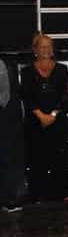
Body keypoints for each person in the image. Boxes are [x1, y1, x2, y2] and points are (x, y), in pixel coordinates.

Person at [20, 34, 68, 201]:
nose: (47, 50)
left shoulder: (62, 69)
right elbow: (26, 97)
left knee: (60, 157)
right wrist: (41, 116)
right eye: (43, 47)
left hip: (58, 121)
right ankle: (38, 194)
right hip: (35, 122)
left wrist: (53, 114)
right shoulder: (27, 72)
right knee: (37, 158)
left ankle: (62, 192)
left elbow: (65, 95)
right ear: (35, 50)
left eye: (49, 46)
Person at [1, 56, 26, 213]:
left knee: (6, 158)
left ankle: (8, 198)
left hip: (5, 120)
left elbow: (4, 96)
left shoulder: (3, 65)